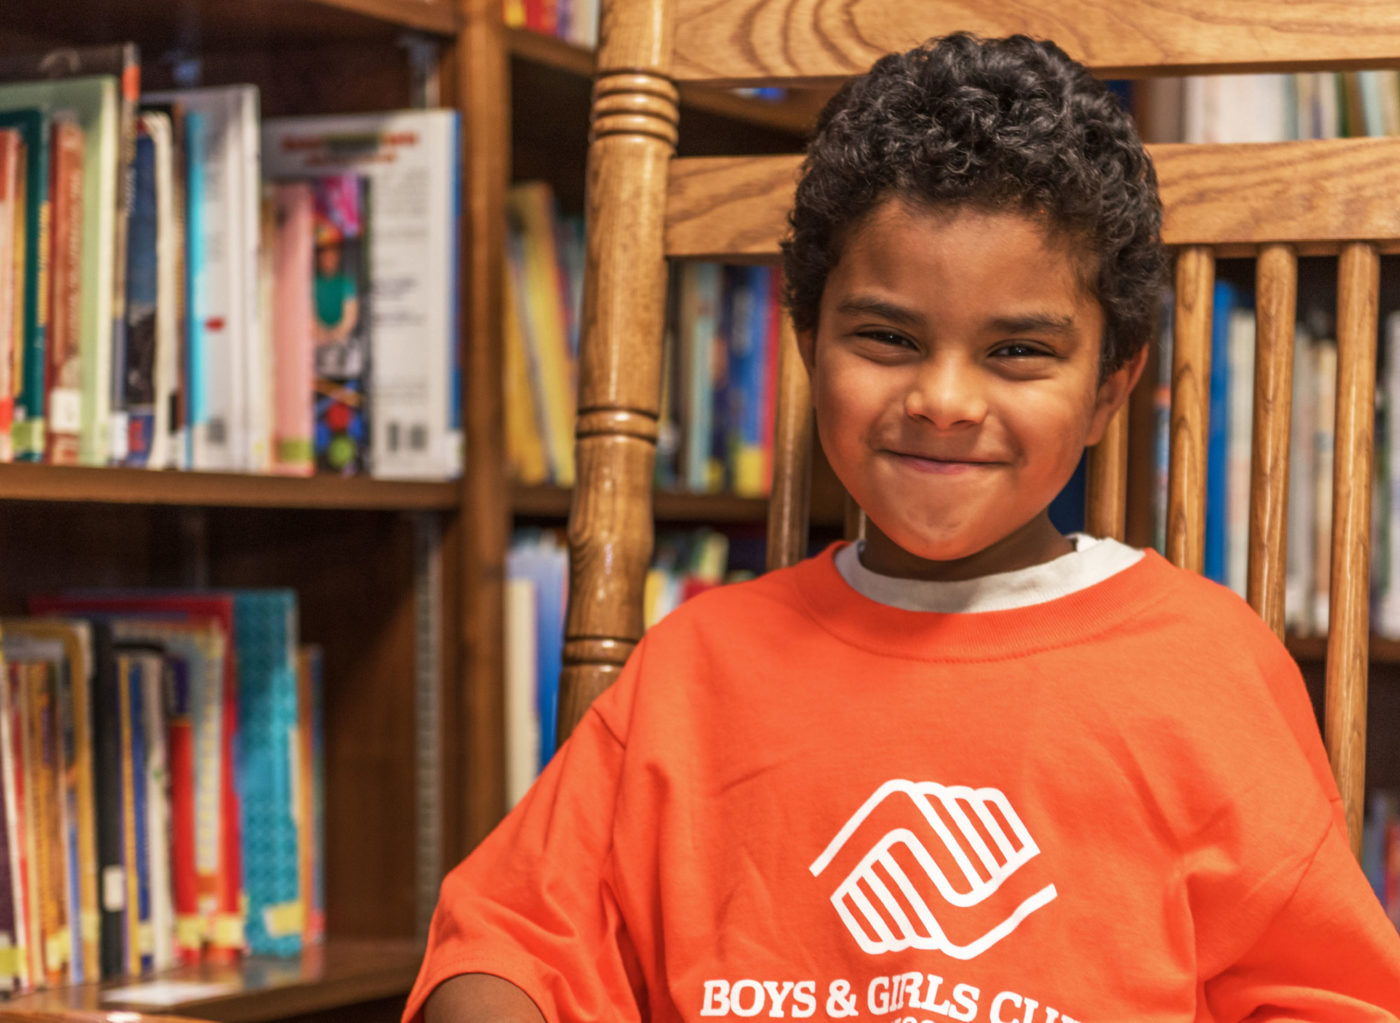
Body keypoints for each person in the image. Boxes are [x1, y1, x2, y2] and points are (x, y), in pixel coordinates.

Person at [407, 34, 1400, 1022]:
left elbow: (1327, 997)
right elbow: (511, 941)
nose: (942, 399)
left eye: (1015, 351)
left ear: (1108, 388)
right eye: (887, 338)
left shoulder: (1205, 667)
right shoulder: (696, 666)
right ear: (807, 342)